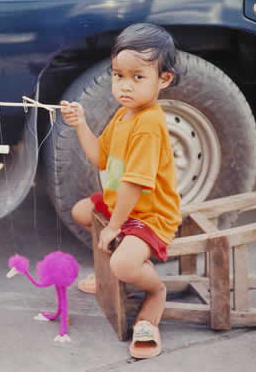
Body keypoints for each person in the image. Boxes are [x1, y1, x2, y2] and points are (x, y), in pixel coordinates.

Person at [61, 23, 182, 359]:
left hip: (150, 214)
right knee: (81, 212)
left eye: (138, 77)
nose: (125, 86)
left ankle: (155, 294)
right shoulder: (125, 114)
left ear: (164, 79)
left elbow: (134, 183)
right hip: (124, 207)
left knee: (124, 266)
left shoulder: (148, 125)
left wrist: (114, 225)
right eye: (118, 75)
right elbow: (100, 157)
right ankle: (112, 269)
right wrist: (81, 124)